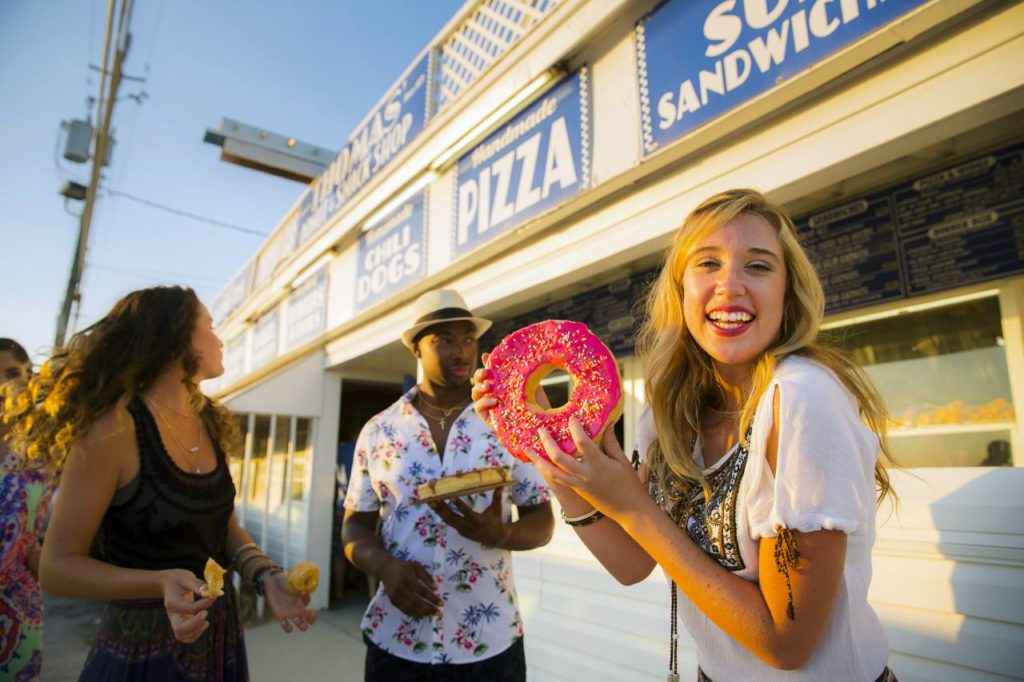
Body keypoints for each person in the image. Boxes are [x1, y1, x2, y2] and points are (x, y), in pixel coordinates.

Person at [475, 189, 899, 681]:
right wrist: (553, 455)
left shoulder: (803, 399)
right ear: (679, 289)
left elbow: (788, 642)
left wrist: (634, 506)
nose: (729, 286)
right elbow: (633, 563)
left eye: (758, 267)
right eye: (707, 264)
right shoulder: (674, 411)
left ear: (788, 291)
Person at [3, 286, 316, 680]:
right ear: (177, 339)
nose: (219, 339)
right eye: (210, 327)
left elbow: (227, 528)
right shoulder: (113, 429)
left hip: (218, 641)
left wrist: (266, 576)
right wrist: (159, 583)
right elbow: (57, 567)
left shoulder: (210, 423)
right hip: (140, 653)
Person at [342, 289, 554, 682]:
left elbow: (542, 519)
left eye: (468, 338)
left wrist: (502, 532)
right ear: (416, 350)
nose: (461, 351)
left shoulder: (507, 422)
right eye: (444, 340)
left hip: (488, 646)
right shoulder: (379, 430)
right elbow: (355, 525)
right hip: (398, 643)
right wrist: (384, 566)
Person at [0, 338, 53, 680]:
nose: (3, 384)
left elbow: (40, 538)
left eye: (12, 373)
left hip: (18, 614)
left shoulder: (42, 452)